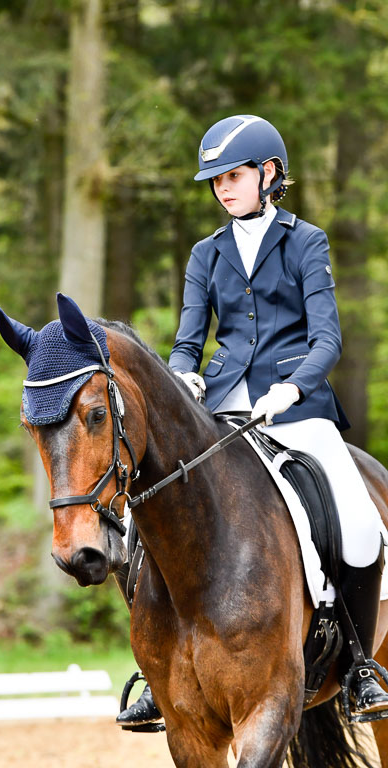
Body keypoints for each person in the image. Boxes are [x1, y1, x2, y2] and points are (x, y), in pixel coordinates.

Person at [117, 114, 388, 727]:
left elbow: (327, 338)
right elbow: (189, 340)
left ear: (269, 174)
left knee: (361, 528)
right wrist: (185, 374)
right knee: (148, 510)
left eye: (233, 175)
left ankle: (361, 670)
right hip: (222, 411)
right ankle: (158, 667)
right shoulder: (204, 253)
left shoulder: (306, 242)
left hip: (296, 411)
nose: (222, 188)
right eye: (215, 180)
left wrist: (294, 387)